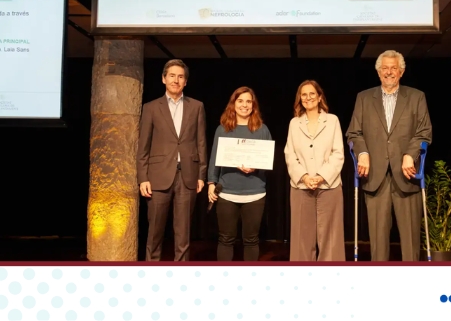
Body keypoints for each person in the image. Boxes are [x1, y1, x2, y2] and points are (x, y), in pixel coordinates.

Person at [346, 50, 432, 261]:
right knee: (378, 243)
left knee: (411, 242)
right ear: (378, 72)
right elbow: (354, 133)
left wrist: (410, 154)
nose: (389, 72)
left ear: (401, 71)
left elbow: (424, 132)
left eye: (394, 68)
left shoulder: (416, 97)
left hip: (407, 177)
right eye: (385, 68)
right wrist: (362, 153)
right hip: (376, 177)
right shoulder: (364, 98)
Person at [136, 59, 208, 261]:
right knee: (155, 233)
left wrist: (201, 175)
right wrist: (143, 178)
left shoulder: (196, 107)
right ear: (163, 79)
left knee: (183, 235)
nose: (176, 80)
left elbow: (201, 142)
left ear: (185, 81)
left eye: (180, 77)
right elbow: (143, 146)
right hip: (157, 177)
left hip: (188, 176)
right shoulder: (151, 108)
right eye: (172, 76)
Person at [207, 87, 273, 261]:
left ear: (253, 105)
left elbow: (268, 161)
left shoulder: (262, 130)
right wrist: (211, 183)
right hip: (227, 192)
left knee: (251, 240)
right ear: (233, 104)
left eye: (248, 101)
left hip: (255, 194)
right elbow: (214, 158)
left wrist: (255, 167)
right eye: (240, 101)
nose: (245, 105)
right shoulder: (222, 129)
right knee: (225, 239)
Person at [284, 80, 345, 261]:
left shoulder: (332, 120)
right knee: (301, 239)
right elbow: (290, 154)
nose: (308, 97)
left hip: (329, 186)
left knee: (331, 239)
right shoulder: (294, 123)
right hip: (301, 187)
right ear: (300, 99)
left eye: (312, 94)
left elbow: (338, 153)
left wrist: (320, 176)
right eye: (304, 94)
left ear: (319, 97)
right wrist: (304, 177)